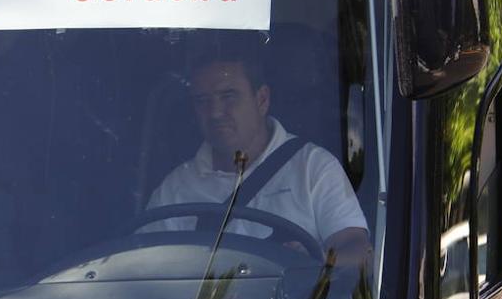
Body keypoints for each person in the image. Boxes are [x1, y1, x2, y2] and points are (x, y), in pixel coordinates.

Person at [146, 54, 371, 265]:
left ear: (262, 99)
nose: (214, 113)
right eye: (202, 101)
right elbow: (144, 267)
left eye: (228, 97)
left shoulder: (313, 167)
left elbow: (359, 250)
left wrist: (316, 263)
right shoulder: (175, 188)